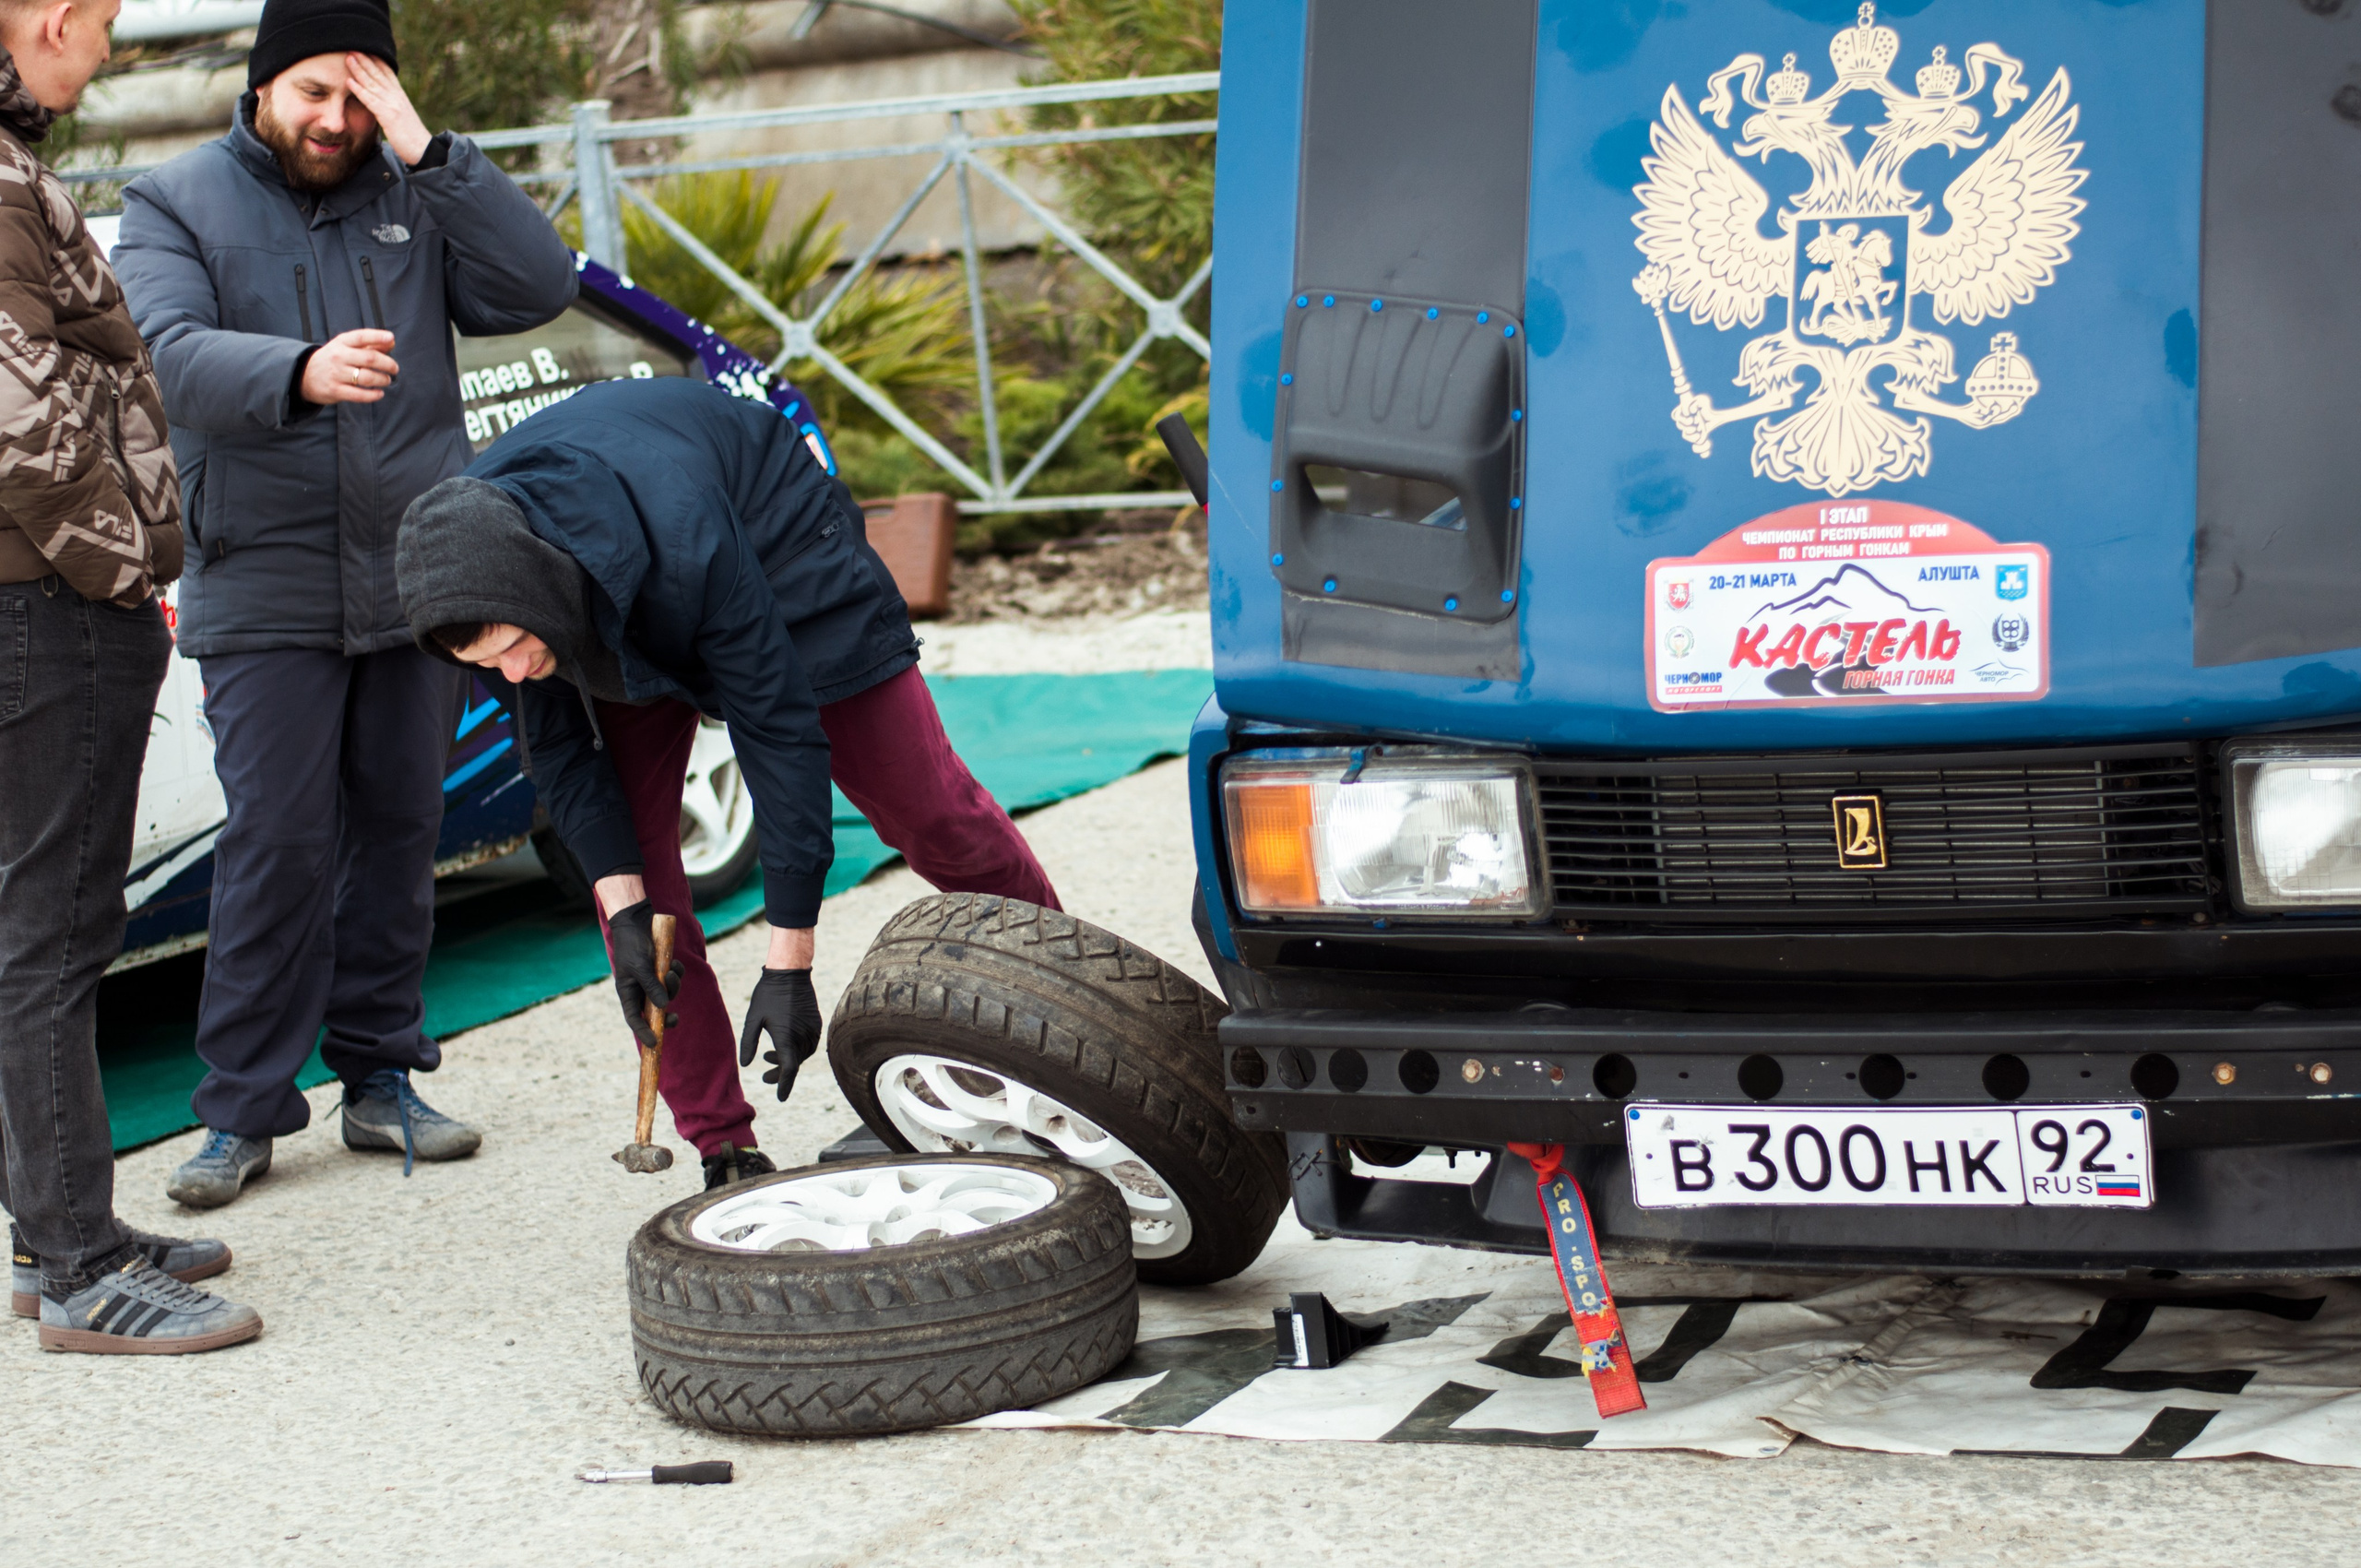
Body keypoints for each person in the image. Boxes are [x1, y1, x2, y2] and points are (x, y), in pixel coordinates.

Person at [112, 0, 578, 1207]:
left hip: (414, 572)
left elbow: (538, 283)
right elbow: (155, 354)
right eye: (313, 90)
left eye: (358, 94)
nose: (335, 118)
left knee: (398, 834)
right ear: (263, 86)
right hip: (260, 577)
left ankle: (382, 1075)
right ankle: (242, 1112)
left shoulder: (410, 189)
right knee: (276, 844)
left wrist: (431, 151)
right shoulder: (176, 200)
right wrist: (297, 374)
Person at [396, 377, 1062, 1189]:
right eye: (484, 664)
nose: (507, 671)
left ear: (534, 586)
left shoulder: (684, 545)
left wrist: (789, 964)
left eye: (508, 648)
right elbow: (565, 760)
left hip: (769, 543)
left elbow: (779, 734)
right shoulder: (491, 607)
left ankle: (1062, 1010)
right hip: (595, 603)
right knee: (637, 895)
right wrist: (626, 905)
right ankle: (724, 1144)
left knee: (926, 807)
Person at [0, 0, 259, 1352]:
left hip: (38, 598)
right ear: (48, 20)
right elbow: (24, 426)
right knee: (49, 937)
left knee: (35, 931)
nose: (102, 53)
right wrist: (120, 563)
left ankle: (56, 1230)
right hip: (42, 607)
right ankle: (81, 1264)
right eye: (100, 23)